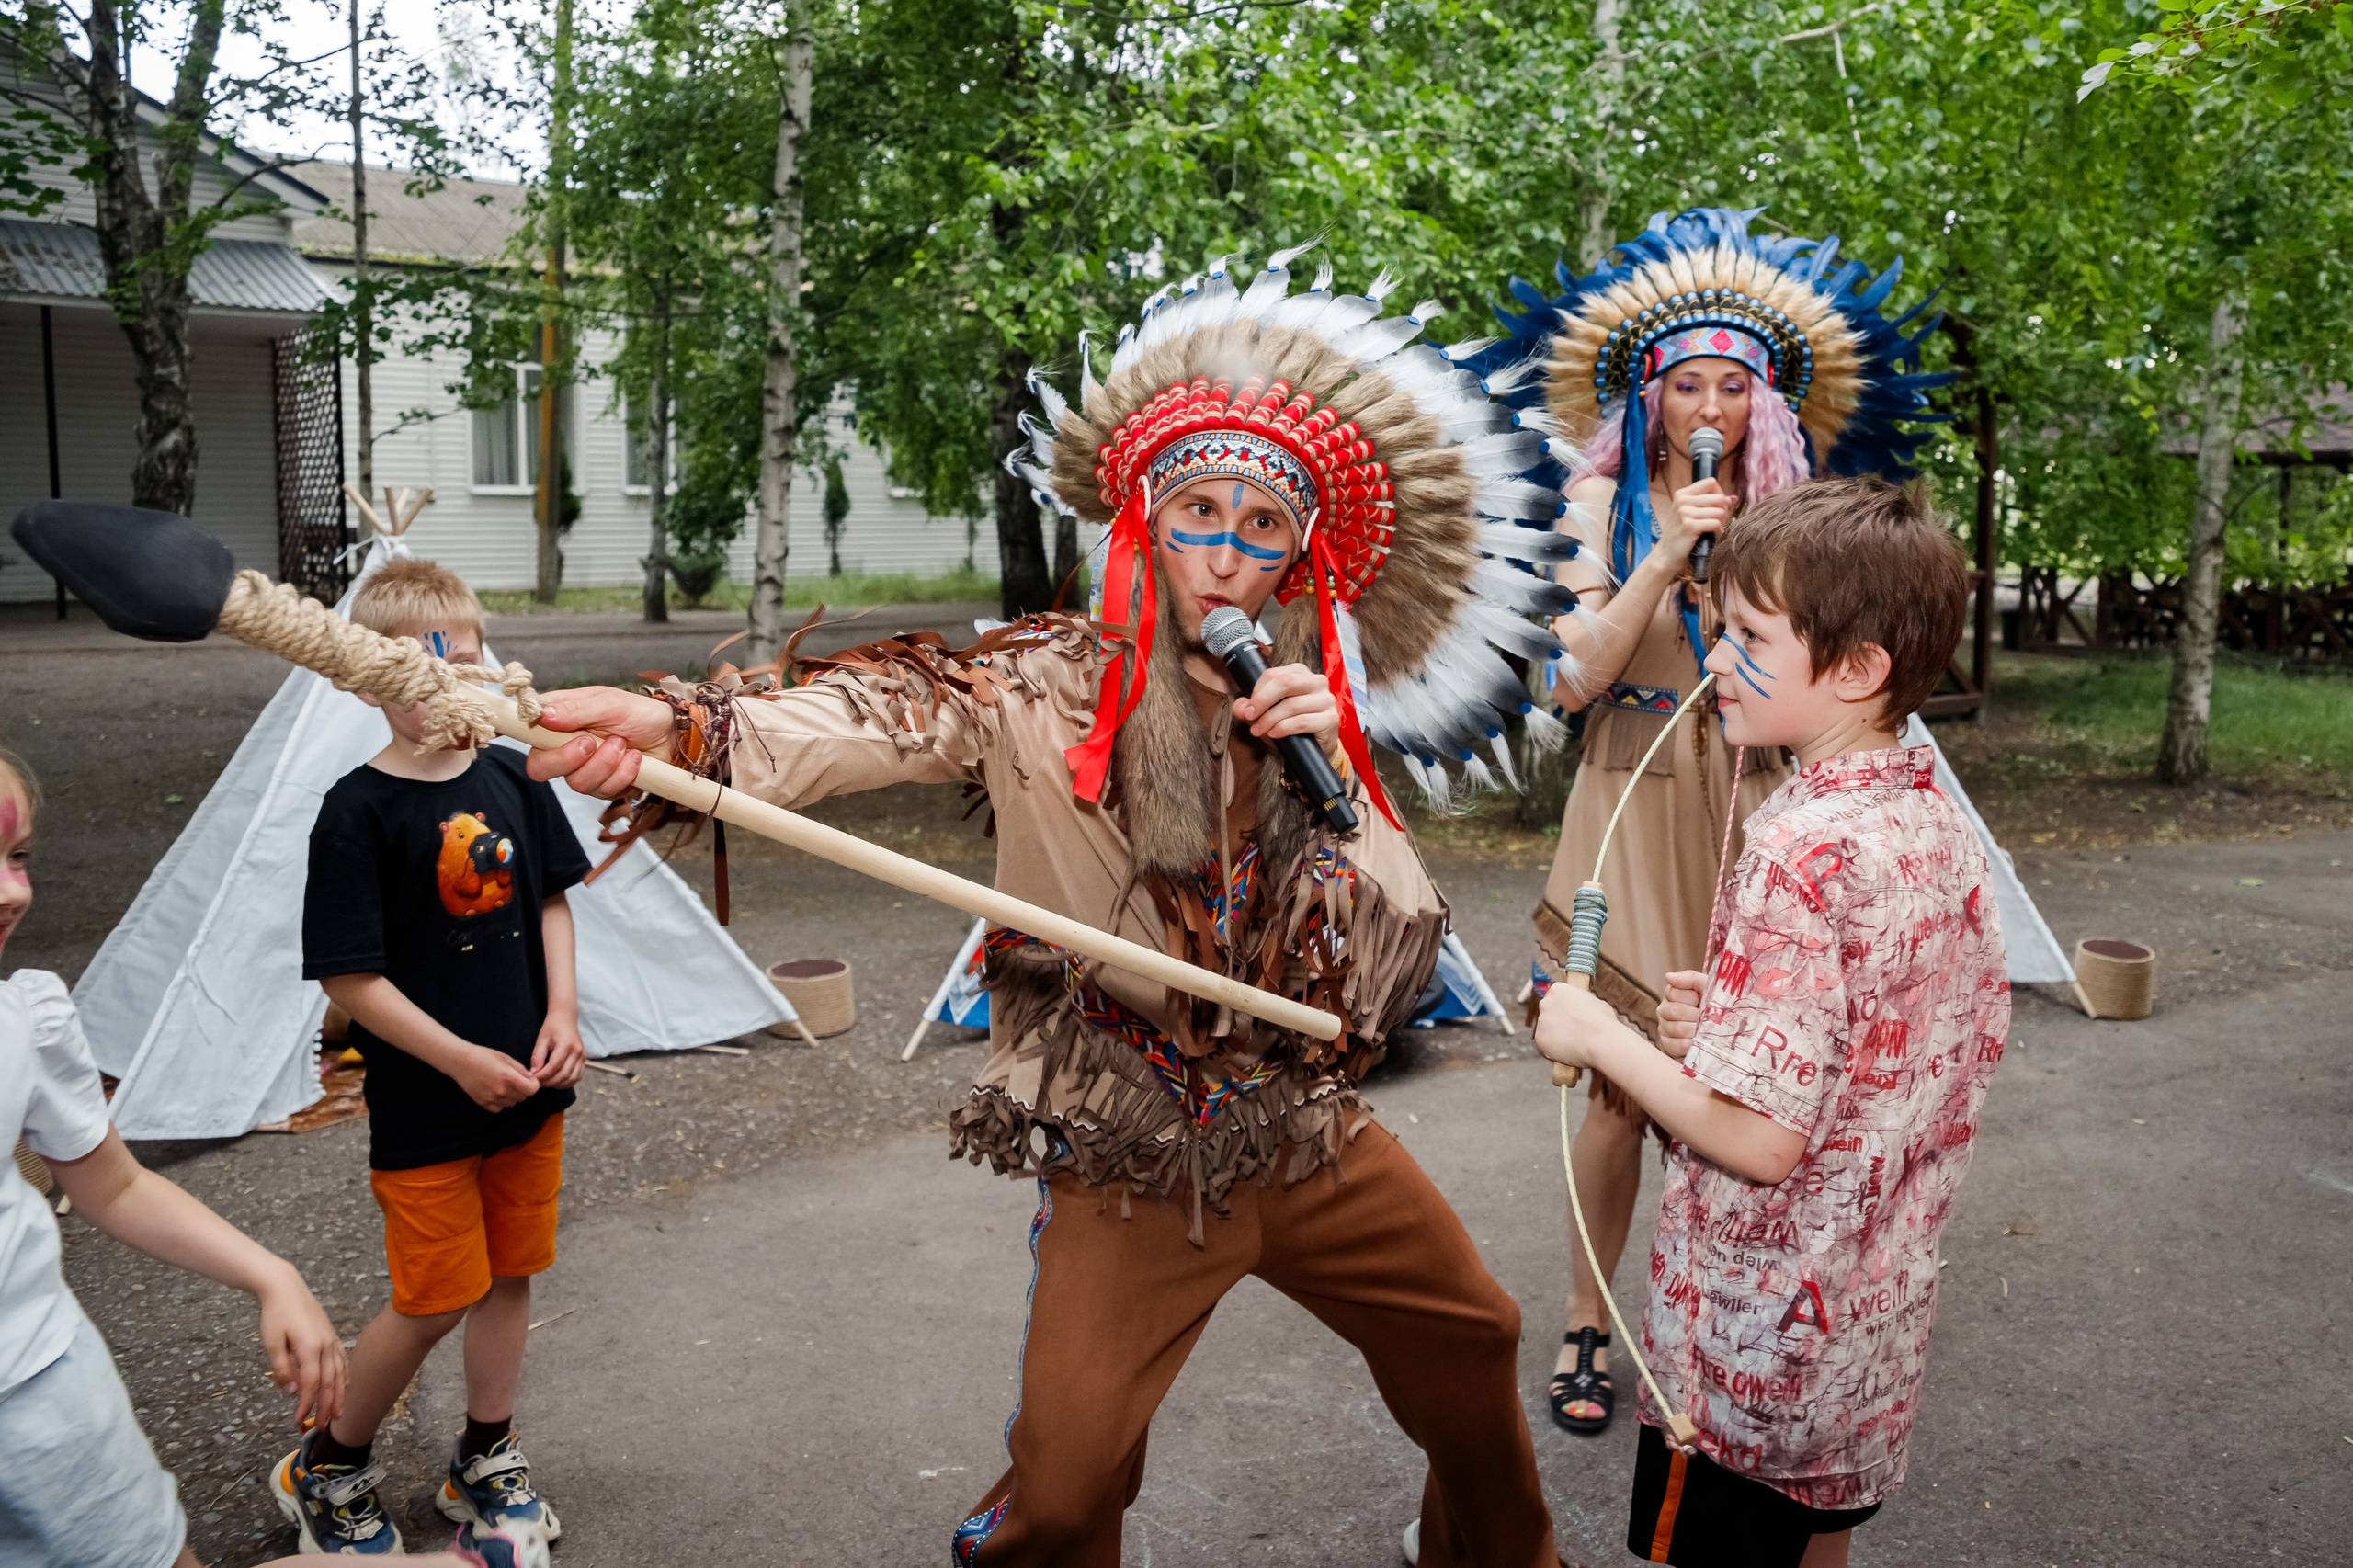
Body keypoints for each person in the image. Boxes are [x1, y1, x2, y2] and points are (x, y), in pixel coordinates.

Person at [525, 247, 1578, 1567]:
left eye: (1262, 530)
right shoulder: (1041, 681)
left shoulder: (1310, 709)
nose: (1227, 556)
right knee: (1067, 1495)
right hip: (1129, 1140)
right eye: (1200, 513)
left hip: (1301, 1126)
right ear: (1143, 521)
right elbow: (873, 714)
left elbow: (1396, 953)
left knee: (1476, 1330)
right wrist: (684, 729)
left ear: (1295, 559)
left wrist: (1338, 786)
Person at [1468, 207, 1949, 1435]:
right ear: (1647, 394)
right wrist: (1663, 554)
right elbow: (1567, 680)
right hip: (1631, 790)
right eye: (1687, 383)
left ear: (1764, 402)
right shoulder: (1594, 500)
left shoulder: (1801, 515)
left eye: (1734, 387)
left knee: (1746, 1077)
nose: (1710, 407)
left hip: (1764, 800)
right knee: (1617, 1089)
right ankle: (1587, 1315)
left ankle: (1720, 1316)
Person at [1532, 477, 2009, 1568]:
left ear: (1855, 668)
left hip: (1750, 1361)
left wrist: (1599, 1034)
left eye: (1749, 635)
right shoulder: (1931, 820)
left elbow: (1758, 1140)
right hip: (1862, 1347)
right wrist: (1730, 1026)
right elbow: (1884, 1043)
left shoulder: (1797, 852)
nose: (1713, 658)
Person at [0, 752, 506, 1568]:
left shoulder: (23, 1023)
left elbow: (114, 1185)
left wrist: (273, 1276)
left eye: (19, 856)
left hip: (44, 1397)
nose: (12, 891)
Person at [277, 560, 588, 1556]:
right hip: (428, 1109)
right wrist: (457, 1059)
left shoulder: (514, 774)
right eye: (412, 663)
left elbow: (550, 899)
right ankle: (328, 1463)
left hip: (530, 1094)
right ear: (359, 680)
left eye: (459, 656)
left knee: (512, 1273)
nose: (441, 678)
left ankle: (486, 1453)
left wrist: (565, 1010)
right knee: (436, 1295)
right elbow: (349, 978)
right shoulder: (354, 812)